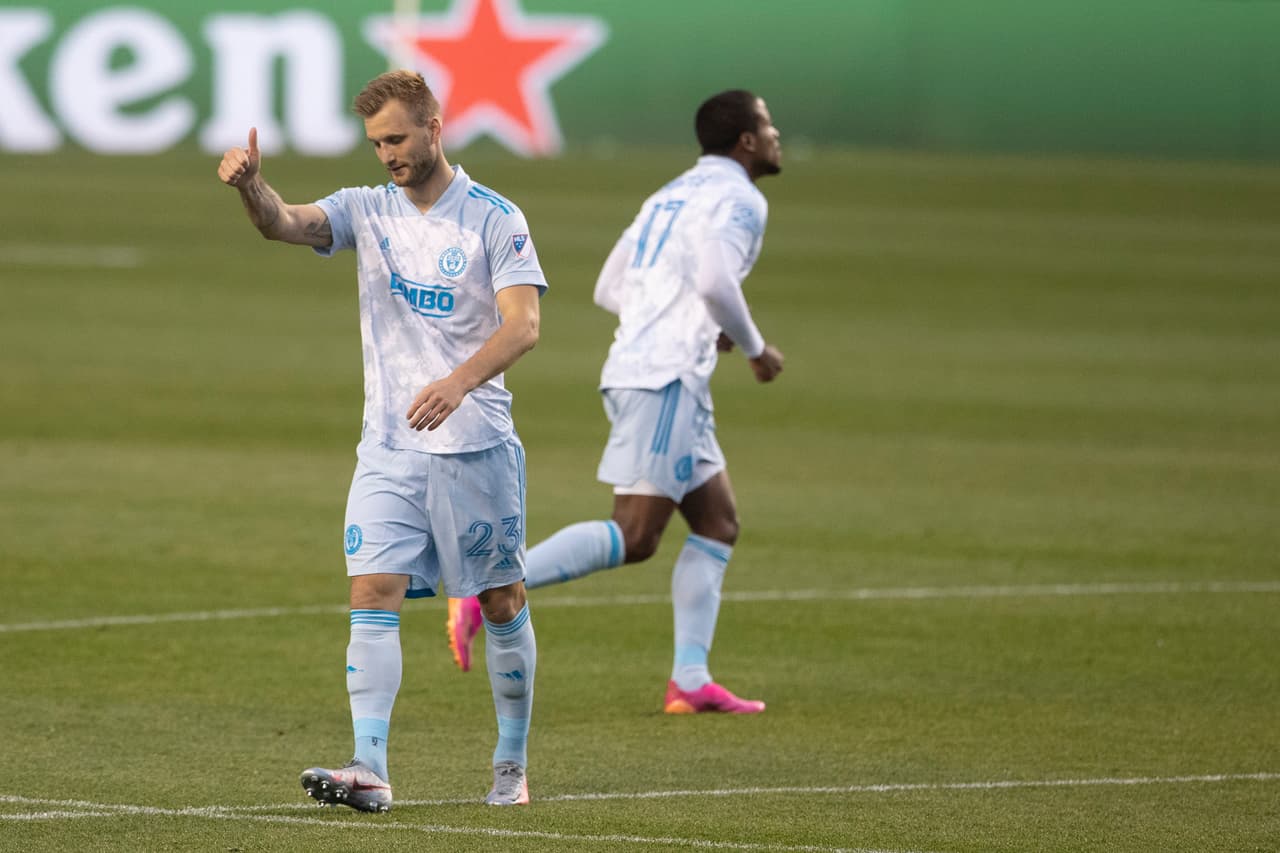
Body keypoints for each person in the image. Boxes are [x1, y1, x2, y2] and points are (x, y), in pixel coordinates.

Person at [217, 70, 545, 810]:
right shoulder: (367, 210)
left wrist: (458, 382)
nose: (386, 154)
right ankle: (368, 765)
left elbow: (524, 324)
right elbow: (284, 223)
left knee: (500, 600)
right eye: (375, 142)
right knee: (372, 590)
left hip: (475, 449)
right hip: (388, 449)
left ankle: (509, 767)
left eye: (396, 137)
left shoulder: (494, 217)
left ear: (434, 126)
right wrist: (251, 187)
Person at [447, 89, 784, 715]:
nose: (775, 136)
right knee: (636, 535)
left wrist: (671, 316)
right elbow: (713, 279)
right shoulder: (740, 199)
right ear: (745, 141)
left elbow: (609, 285)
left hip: (649, 370)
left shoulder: (670, 194)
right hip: (665, 379)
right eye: (767, 126)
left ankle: (689, 679)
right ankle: (488, 587)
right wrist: (756, 347)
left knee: (717, 523)